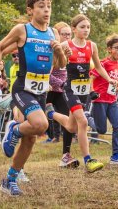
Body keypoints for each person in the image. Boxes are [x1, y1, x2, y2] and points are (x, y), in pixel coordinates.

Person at [0, 0, 67, 196]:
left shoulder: (53, 33)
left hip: (41, 90)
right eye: (41, 6)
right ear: (30, 10)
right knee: (41, 124)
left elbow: (60, 65)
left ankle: (10, 180)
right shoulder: (22, 30)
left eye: (49, 6)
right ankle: (14, 130)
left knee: (31, 138)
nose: (46, 10)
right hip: (23, 88)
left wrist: (58, 51)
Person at [46, 13, 117, 173]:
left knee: (71, 126)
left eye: (88, 27)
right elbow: (55, 65)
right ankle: (88, 160)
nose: (86, 30)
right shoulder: (66, 46)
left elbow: (98, 67)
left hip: (84, 90)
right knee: (83, 122)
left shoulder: (92, 46)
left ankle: (51, 114)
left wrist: (109, 80)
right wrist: (47, 78)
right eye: (82, 27)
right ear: (74, 29)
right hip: (70, 88)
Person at [90, 33, 118, 164]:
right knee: (101, 130)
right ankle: (88, 118)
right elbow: (92, 77)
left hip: (112, 100)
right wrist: (92, 91)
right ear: (109, 49)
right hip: (100, 100)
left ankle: (115, 156)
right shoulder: (103, 63)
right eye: (117, 47)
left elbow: (114, 83)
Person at [46, 21, 80, 167]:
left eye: (68, 34)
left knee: (68, 121)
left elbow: (67, 71)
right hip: (47, 89)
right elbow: (46, 73)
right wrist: (60, 83)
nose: (67, 36)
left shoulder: (69, 49)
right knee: (35, 122)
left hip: (61, 91)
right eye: (63, 34)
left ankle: (66, 155)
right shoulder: (50, 49)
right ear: (56, 35)